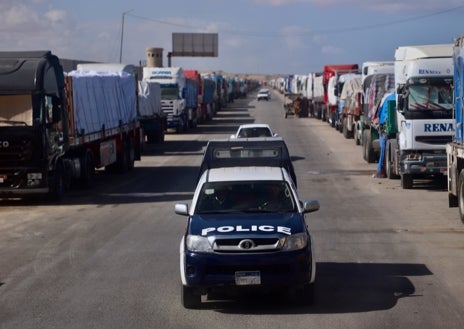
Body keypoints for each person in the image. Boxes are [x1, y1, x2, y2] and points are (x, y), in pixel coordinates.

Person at [372, 92, 395, 178]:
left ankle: (380, 171)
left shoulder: (387, 98)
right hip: (394, 127)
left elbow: (379, 114)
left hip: (386, 127)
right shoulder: (399, 96)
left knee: (383, 149)